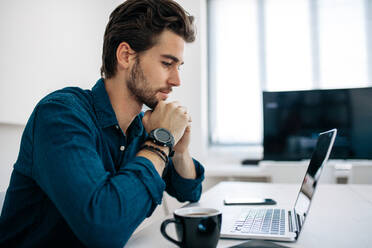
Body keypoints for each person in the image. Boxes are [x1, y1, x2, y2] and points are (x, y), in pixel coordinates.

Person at [0, 0, 204, 247]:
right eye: (167, 63)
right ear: (126, 56)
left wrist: (179, 151)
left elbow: (189, 191)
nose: (177, 80)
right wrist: (160, 143)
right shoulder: (61, 115)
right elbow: (103, 228)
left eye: (179, 66)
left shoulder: (142, 127)